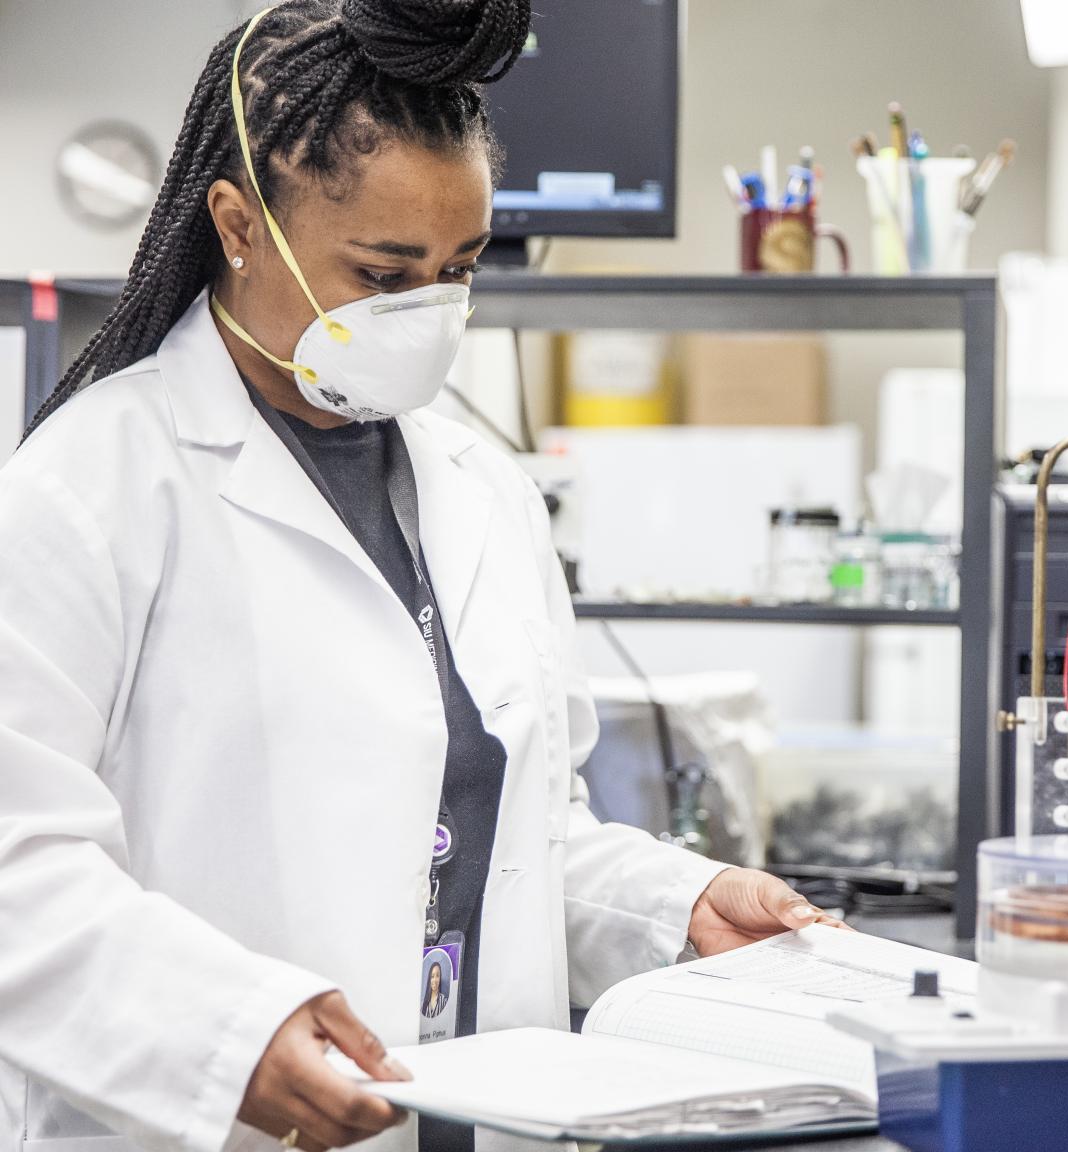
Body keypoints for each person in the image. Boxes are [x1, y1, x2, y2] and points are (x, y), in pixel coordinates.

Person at [0, 4, 847, 1152]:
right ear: (241, 225)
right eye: (383, 271)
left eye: (457, 270)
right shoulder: (89, 487)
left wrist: (674, 905)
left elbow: (512, 833)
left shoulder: (479, 485)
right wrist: (225, 1033)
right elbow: (19, 867)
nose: (427, 314)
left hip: (472, 1117)